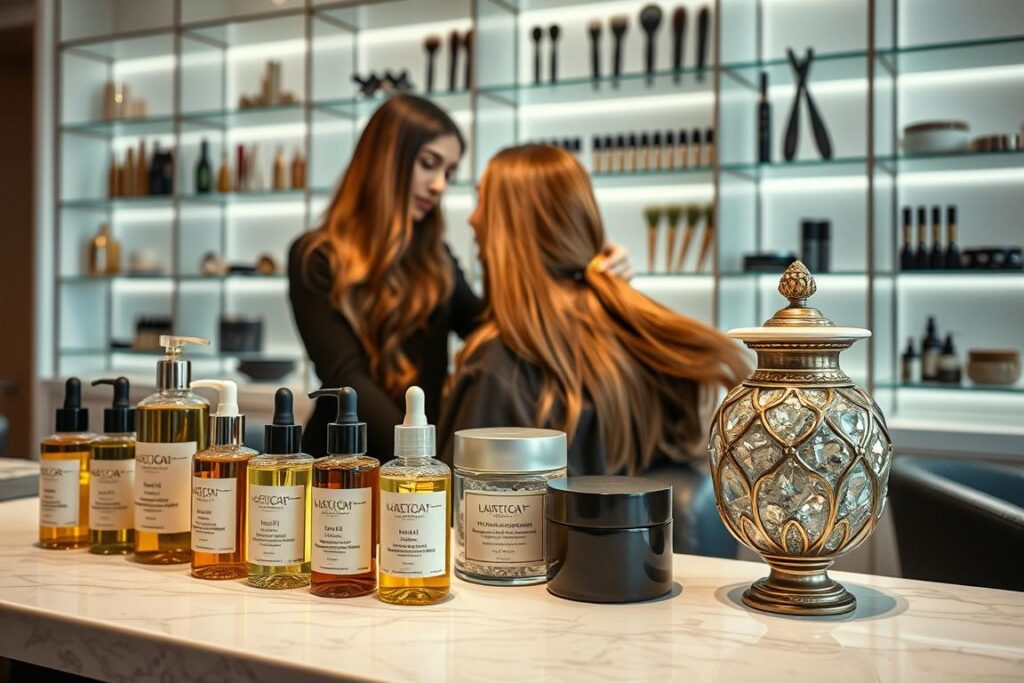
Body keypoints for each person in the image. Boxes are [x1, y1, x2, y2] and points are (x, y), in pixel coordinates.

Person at [289, 96, 631, 459]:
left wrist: (585, 273)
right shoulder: (315, 258)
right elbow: (346, 376)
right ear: (384, 161)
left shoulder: (436, 259)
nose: (439, 185)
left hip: (422, 461)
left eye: (449, 173)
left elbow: (495, 324)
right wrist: (421, 458)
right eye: (428, 164)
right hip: (342, 461)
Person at [438, 144, 750, 480]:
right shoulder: (624, 333)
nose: (472, 218)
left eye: (482, 201)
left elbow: (448, 502)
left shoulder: (496, 367)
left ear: (509, 226)